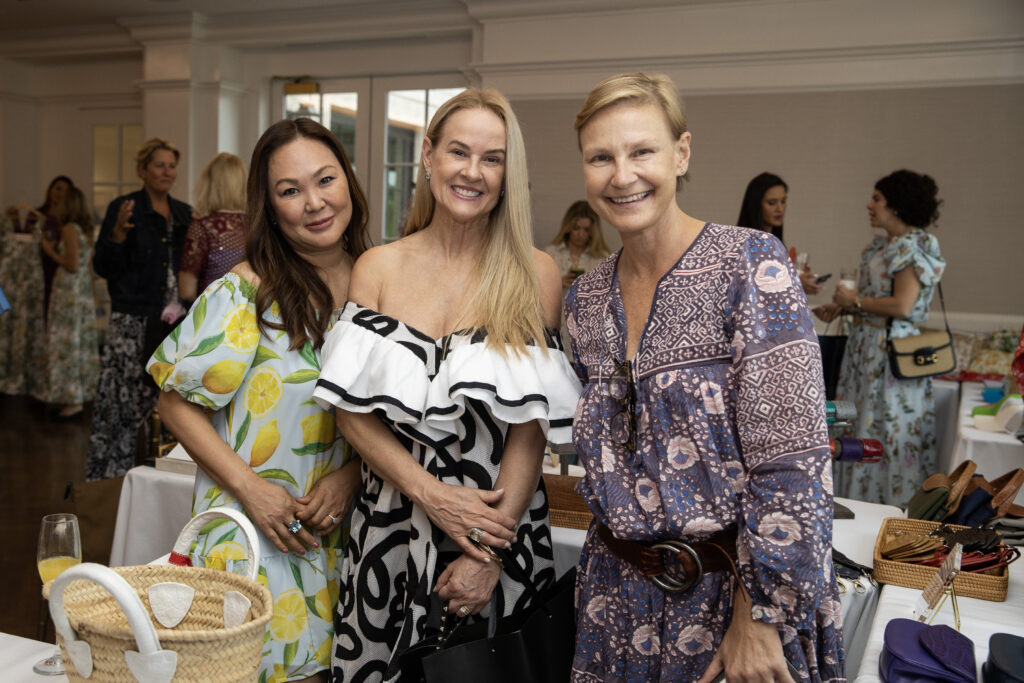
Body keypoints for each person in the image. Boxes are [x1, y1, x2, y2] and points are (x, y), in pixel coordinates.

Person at [565, 73, 843, 682]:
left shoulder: (749, 265)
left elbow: (793, 462)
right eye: (601, 157)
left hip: (732, 605)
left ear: (681, 153)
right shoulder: (584, 300)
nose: (622, 174)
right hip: (615, 600)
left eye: (642, 151)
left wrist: (760, 617)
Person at [312, 88, 581, 682]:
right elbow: (351, 413)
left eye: (492, 159)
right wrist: (430, 494)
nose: (472, 172)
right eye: (459, 152)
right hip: (388, 526)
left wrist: (486, 553)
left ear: (509, 174)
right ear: (428, 155)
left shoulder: (535, 274)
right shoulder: (377, 268)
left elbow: (529, 431)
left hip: (496, 532)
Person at [150, 118, 369, 683]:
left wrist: (350, 478)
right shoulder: (247, 293)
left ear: (349, 181)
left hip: (349, 534)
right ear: (269, 208)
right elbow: (174, 406)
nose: (314, 203)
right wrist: (251, 489)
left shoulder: (380, 287)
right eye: (290, 191)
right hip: (255, 536)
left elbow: (384, 419)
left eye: (325, 180)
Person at [814, 170, 945, 507]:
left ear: (897, 206)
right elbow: (879, 300)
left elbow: (903, 304)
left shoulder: (913, 246)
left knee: (883, 426)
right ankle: (854, 501)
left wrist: (854, 302)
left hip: (888, 354)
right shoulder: (881, 245)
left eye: (877, 199)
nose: (869, 205)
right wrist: (842, 309)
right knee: (860, 423)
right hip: (866, 348)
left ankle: (886, 506)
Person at [85, 137, 193, 480]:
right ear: (143, 170)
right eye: (159, 165)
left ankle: (162, 479)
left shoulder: (184, 213)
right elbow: (102, 267)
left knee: (170, 408)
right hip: (131, 321)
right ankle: (112, 482)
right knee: (121, 409)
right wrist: (117, 235)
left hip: (173, 325)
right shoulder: (124, 207)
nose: (167, 172)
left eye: (171, 165)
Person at [39, 186, 99, 419]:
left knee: (67, 344)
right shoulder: (83, 229)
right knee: (77, 343)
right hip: (80, 290)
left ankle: (72, 398)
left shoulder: (68, 229)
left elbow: (72, 264)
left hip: (69, 291)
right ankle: (78, 395)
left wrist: (49, 251)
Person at [178, 152, 248, 305]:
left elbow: (186, 291)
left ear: (208, 185)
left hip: (214, 320)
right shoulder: (259, 226)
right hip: (252, 320)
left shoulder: (203, 228)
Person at [737, 172, 822, 295]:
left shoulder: (775, 243)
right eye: (772, 203)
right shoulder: (749, 244)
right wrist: (795, 283)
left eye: (783, 201)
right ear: (755, 205)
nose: (780, 209)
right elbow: (751, 289)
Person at [6, 176, 74, 318]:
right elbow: (25, 242)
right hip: (37, 270)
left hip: (58, 271)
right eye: (57, 188)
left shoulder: (69, 221)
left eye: (65, 191)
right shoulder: (36, 215)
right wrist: (16, 222)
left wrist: (51, 248)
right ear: (50, 189)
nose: (60, 193)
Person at [545, 200, 610, 290]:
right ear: (568, 227)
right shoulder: (551, 254)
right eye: (576, 228)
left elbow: (608, 292)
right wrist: (559, 282)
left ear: (593, 232)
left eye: (586, 230)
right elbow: (539, 289)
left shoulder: (602, 258)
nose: (580, 234)